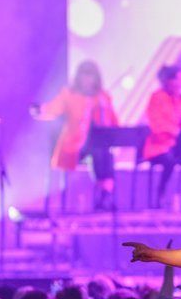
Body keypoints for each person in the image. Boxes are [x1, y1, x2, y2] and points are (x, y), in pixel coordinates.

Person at [33, 60, 120, 212]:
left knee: (103, 153)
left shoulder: (102, 97)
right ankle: (104, 194)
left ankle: (105, 194)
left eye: (91, 76)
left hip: (96, 147)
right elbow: (53, 109)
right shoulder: (69, 94)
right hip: (73, 147)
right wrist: (40, 110)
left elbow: (113, 124)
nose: (88, 80)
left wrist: (104, 111)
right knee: (99, 152)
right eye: (85, 76)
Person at [143, 64, 181, 210]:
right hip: (159, 146)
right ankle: (161, 193)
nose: (180, 84)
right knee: (169, 160)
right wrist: (173, 131)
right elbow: (156, 123)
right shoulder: (157, 97)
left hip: (179, 145)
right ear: (168, 81)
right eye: (177, 80)